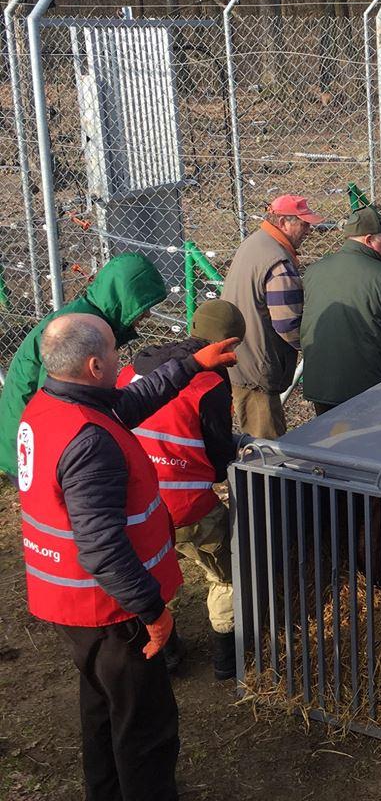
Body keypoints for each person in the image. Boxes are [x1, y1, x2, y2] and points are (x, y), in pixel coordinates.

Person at [16, 313, 239, 801]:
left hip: (68, 600)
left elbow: (130, 403)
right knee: (146, 729)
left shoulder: (50, 405)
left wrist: (188, 365)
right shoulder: (91, 440)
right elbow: (101, 544)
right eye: (115, 354)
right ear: (96, 365)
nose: (122, 363)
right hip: (111, 609)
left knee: (101, 709)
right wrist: (152, 610)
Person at [116, 299, 247, 681]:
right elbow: (220, 453)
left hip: (136, 503)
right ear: (229, 344)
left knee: (149, 573)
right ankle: (226, 657)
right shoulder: (209, 383)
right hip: (187, 505)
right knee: (225, 572)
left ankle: (167, 653)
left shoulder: (130, 372)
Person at [0, 251, 166, 481]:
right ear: (123, 299)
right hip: (32, 444)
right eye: (142, 306)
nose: (147, 315)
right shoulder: (82, 331)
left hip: (32, 435)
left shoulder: (89, 318)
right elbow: (54, 400)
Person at [221, 194, 322, 438]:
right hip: (257, 367)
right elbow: (287, 324)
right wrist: (314, 347)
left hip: (239, 356)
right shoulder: (279, 263)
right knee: (268, 447)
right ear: (283, 222)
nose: (309, 230)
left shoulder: (255, 242)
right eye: (303, 223)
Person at [300, 205, 381, 415]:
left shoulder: (313, 271)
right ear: (369, 239)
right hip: (368, 388)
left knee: (326, 442)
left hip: (320, 384)